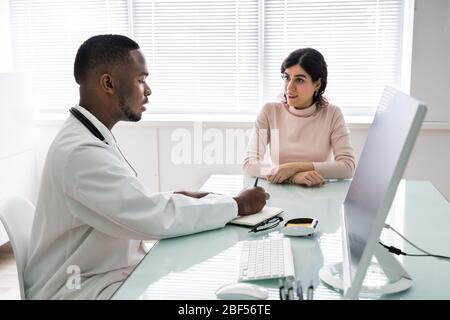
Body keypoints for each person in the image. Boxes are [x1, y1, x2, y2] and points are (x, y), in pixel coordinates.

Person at [24, 34, 269, 300]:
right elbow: (154, 218)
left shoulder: (88, 136)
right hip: (78, 289)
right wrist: (238, 205)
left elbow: (131, 203)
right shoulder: (80, 152)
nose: (148, 90)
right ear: (108, 83)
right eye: (141, 80)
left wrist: (172, 198)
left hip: (101, 273)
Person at [243, 48, 355, 186]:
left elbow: (348, 167)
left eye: (300, 80)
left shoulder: (332, 114)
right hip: (279, 193)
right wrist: (293, 177)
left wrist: (294, 167)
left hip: (319, 193)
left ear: (317, 84)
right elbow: (249, 164)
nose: (290, 87)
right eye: (287, 78)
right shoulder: (269, 111)